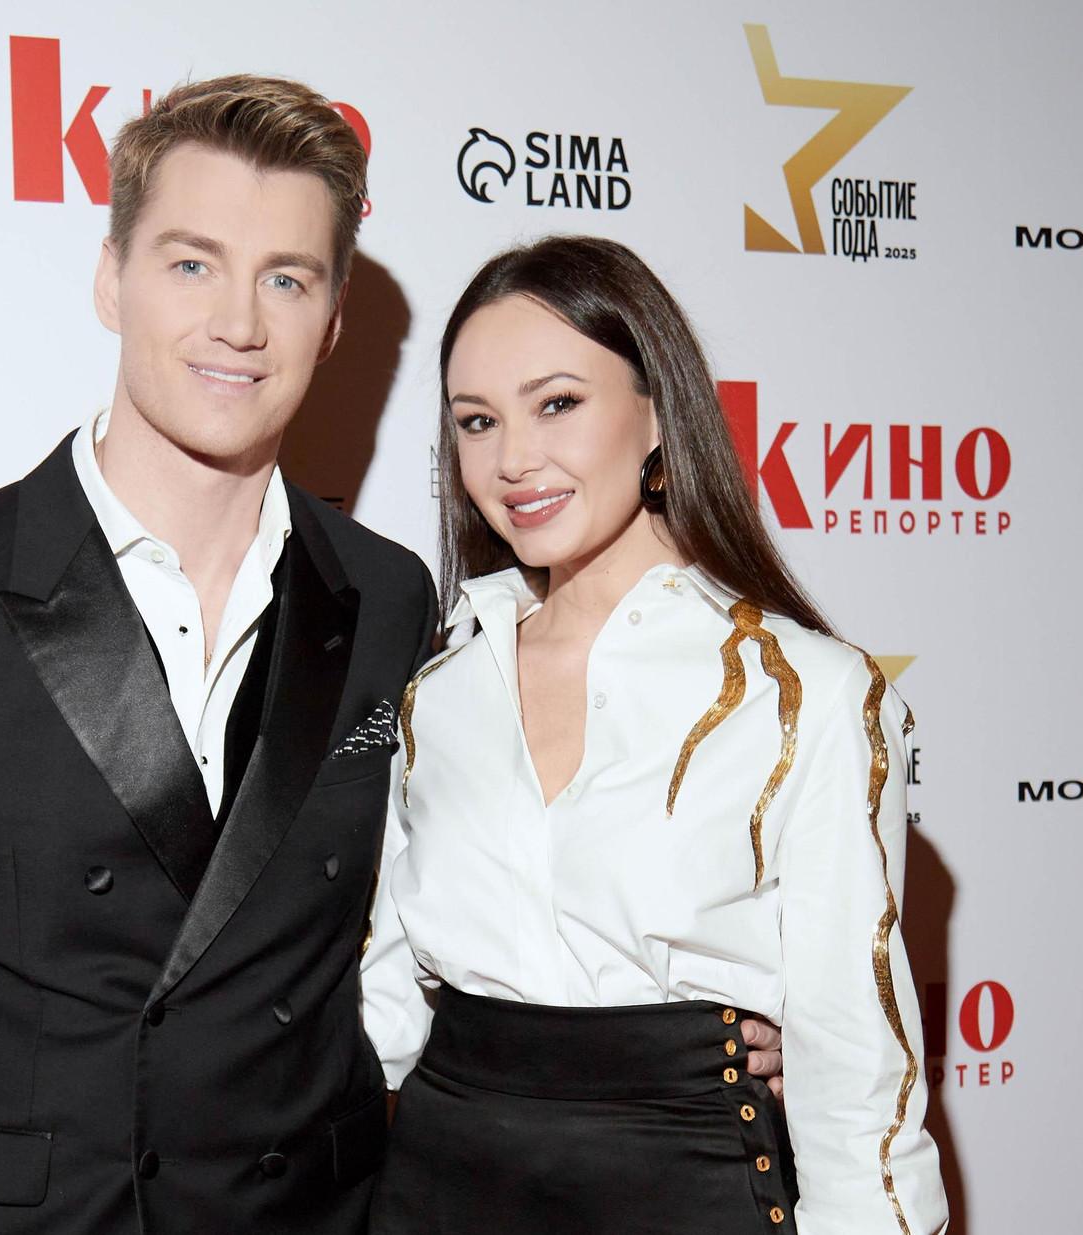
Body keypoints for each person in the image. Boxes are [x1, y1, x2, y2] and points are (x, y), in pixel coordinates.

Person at [0, 76, 439, 1235]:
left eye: (286, 278)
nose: (238, 322)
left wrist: (691, 1037)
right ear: (109, 278)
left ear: (331, 320)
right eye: (191, 263)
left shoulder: (385, 595)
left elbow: (447, 902)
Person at [362, 236, 947, 1234]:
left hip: (684, 1193)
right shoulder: (438, 693)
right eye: (476, 420)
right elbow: (379, 1014)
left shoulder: (805, 695)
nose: (512, 459)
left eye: (557, 403)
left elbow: (857, 1081)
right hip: (435, 1192)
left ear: (656, 412)